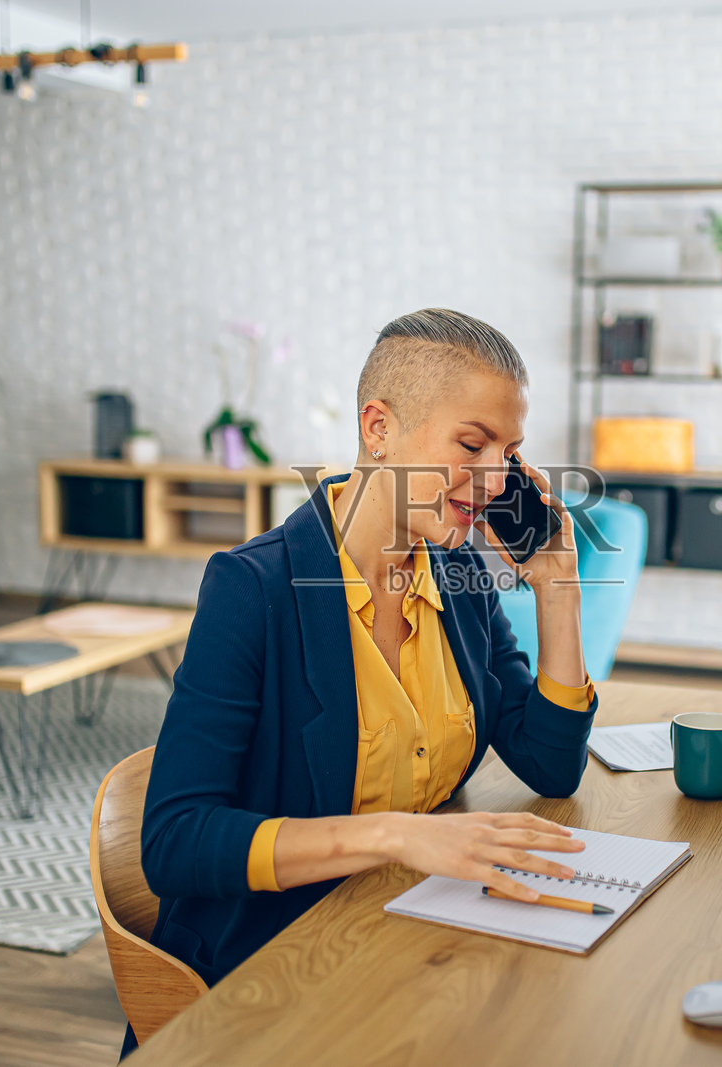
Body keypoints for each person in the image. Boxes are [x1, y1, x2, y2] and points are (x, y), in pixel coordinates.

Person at [129, 309, 598, 1051]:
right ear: (377, 427)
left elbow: (549, 762)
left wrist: (557, 589)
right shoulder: (253, 588)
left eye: (509, 452)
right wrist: (396, 836)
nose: (497, 478)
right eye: (471, 443)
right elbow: (176, 841)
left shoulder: (460, 575)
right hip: (274, 972)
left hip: (411, 940)